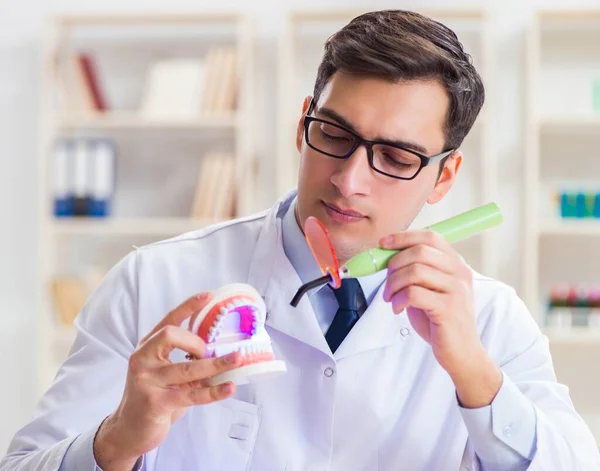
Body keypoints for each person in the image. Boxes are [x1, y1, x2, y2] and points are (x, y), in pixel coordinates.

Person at [3, 9, 600, 471]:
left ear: (444, 176)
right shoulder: (153, 282)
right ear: (302, 125)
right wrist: (117, 440)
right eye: (334, 134)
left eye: (394, 156)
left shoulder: (490, 321)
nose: (348, 179)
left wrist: (474, 374)